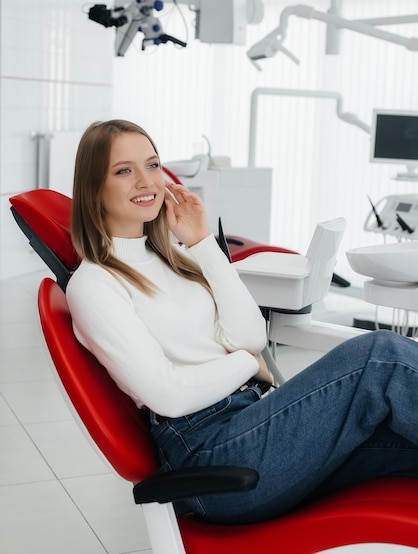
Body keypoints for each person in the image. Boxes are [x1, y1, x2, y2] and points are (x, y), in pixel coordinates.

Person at [66, 119, 418, 525]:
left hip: (251, 420)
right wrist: (249, 365)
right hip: (213, 456)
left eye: (153, 165)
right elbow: (169, 396)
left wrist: (201, 244)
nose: (146, 182)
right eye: (124, 170)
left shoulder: (173, 255)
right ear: (93, 187)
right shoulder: (94, 284)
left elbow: (249, 335)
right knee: (378, 357)